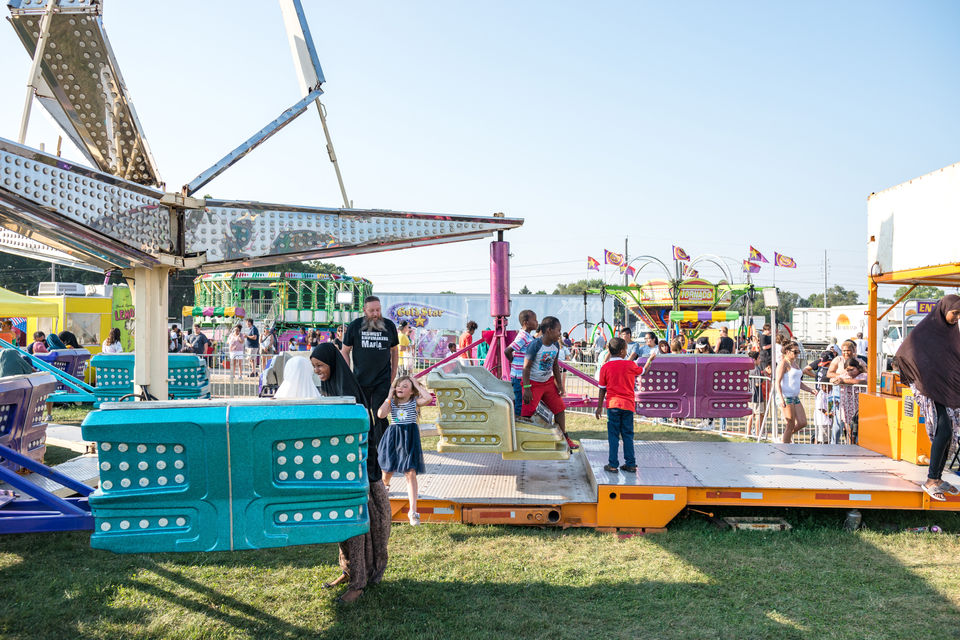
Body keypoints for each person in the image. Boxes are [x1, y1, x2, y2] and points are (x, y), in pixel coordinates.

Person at [310, 343, 391, 604]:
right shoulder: (332, 386)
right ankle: (348, 571)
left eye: (320, 366)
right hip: (341, 468)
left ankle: (359, 582)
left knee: (358, 526)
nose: (318, 371)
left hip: (360, 468)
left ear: (333, 364)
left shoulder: (348, 391)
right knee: (342, 524)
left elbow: (357, 432)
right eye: (314, 367)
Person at [896, 295, 960, 501]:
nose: (957, 317)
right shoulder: (926, 329)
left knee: (948, 432)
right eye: (955, 313)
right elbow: (904, 354)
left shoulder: (951, 332)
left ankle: (937, 478)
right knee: (944, 429)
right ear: (944, 310)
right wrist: (922, 378)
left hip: (945, 387)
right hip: (929, 388)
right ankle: (932, 479)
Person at [341, 295, 399, 492]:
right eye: (372, 310)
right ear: (365, 310)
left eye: (378, 310)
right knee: (364, 417)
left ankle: (385, 455)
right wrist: (347, 374)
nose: (376, 314)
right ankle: (364, 452)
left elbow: (394, 351)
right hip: (360, 381)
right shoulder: (355, 326)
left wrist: (392, 376)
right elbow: (345, 350)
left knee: (380, 415)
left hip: (382, 381)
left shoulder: (389, 326)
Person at [595, 337, 657, 473]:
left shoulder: (605, 367)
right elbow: (643, 372)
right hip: (628, 405)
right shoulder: (630, 365)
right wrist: (649, 361)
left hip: (612, 405)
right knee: (628, 435)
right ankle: (631, 463)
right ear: (623, 351)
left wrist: (599, 406)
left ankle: (612, 464)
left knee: (613, 435)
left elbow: (602, 388)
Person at [376, 375, 430, 525]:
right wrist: (388, 396)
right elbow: (381, 414)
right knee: (386, 473)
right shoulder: (392, 402)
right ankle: (381, 504)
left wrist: (416, 384)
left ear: (411, 391)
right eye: (398, 386)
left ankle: (413, 512)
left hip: (408, 439)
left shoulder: (414, 402)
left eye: (405, 386)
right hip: (393, 438)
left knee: (410, 472)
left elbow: (428, 398)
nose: (400, 388)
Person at [521, 316, 577, 450]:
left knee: (560, 409)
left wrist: (560, 385)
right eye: (558, 330)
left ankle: (564, 437)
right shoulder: (535, 345)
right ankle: (524, 440)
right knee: (526, 413)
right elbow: (526, 368)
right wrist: (527, 388)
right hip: (533, 384)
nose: (560, 333)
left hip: (547, 383)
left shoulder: (556, 345)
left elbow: (555, 365)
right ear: (549, 330)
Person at [776, 340, 815, 443]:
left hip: (794, 396)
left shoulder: (795, 364)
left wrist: (810, 390)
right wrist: (781, 398)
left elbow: (799, 383)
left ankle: (785, 437)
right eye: (795, 351)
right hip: (786, 396)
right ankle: (785, 444)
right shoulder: (783, 363)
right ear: (787, 351)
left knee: (802, 422)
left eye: (798, 352)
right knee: (790, 423)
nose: (797, 354)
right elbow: (777, 382)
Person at [504, 310, 538, 417]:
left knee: (524, 402)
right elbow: (507, 350)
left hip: (523, 376)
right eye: (534, 320)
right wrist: (513, 361)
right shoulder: (522, 336)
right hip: (519, 377)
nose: (537, 322)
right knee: (520, 403)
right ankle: (518, 424)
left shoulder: (527, 336)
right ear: (526, 323)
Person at [826, 340, 859, 443]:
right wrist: (841, 377)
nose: (846, 353)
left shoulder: (858, 361)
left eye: (848, 350)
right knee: (838, 423)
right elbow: (829, 374)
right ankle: (833, 445)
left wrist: (847, 379)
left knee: (853, 424)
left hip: (854, 397)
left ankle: (852, 445)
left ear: (853, 350)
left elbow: (866, 374)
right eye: (844, 350)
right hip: (839, 396)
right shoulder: (838, 360)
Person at [746, 351, 770, 437]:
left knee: (751, 415)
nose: (760, 360)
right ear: (754, 359)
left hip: (750, 395)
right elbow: (757, 383)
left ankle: (748, 433)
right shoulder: (756, 369)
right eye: (759, 358)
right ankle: (757, 433)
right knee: (758, 415)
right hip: (757, 395)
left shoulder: (748, 368)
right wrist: (763, 379)